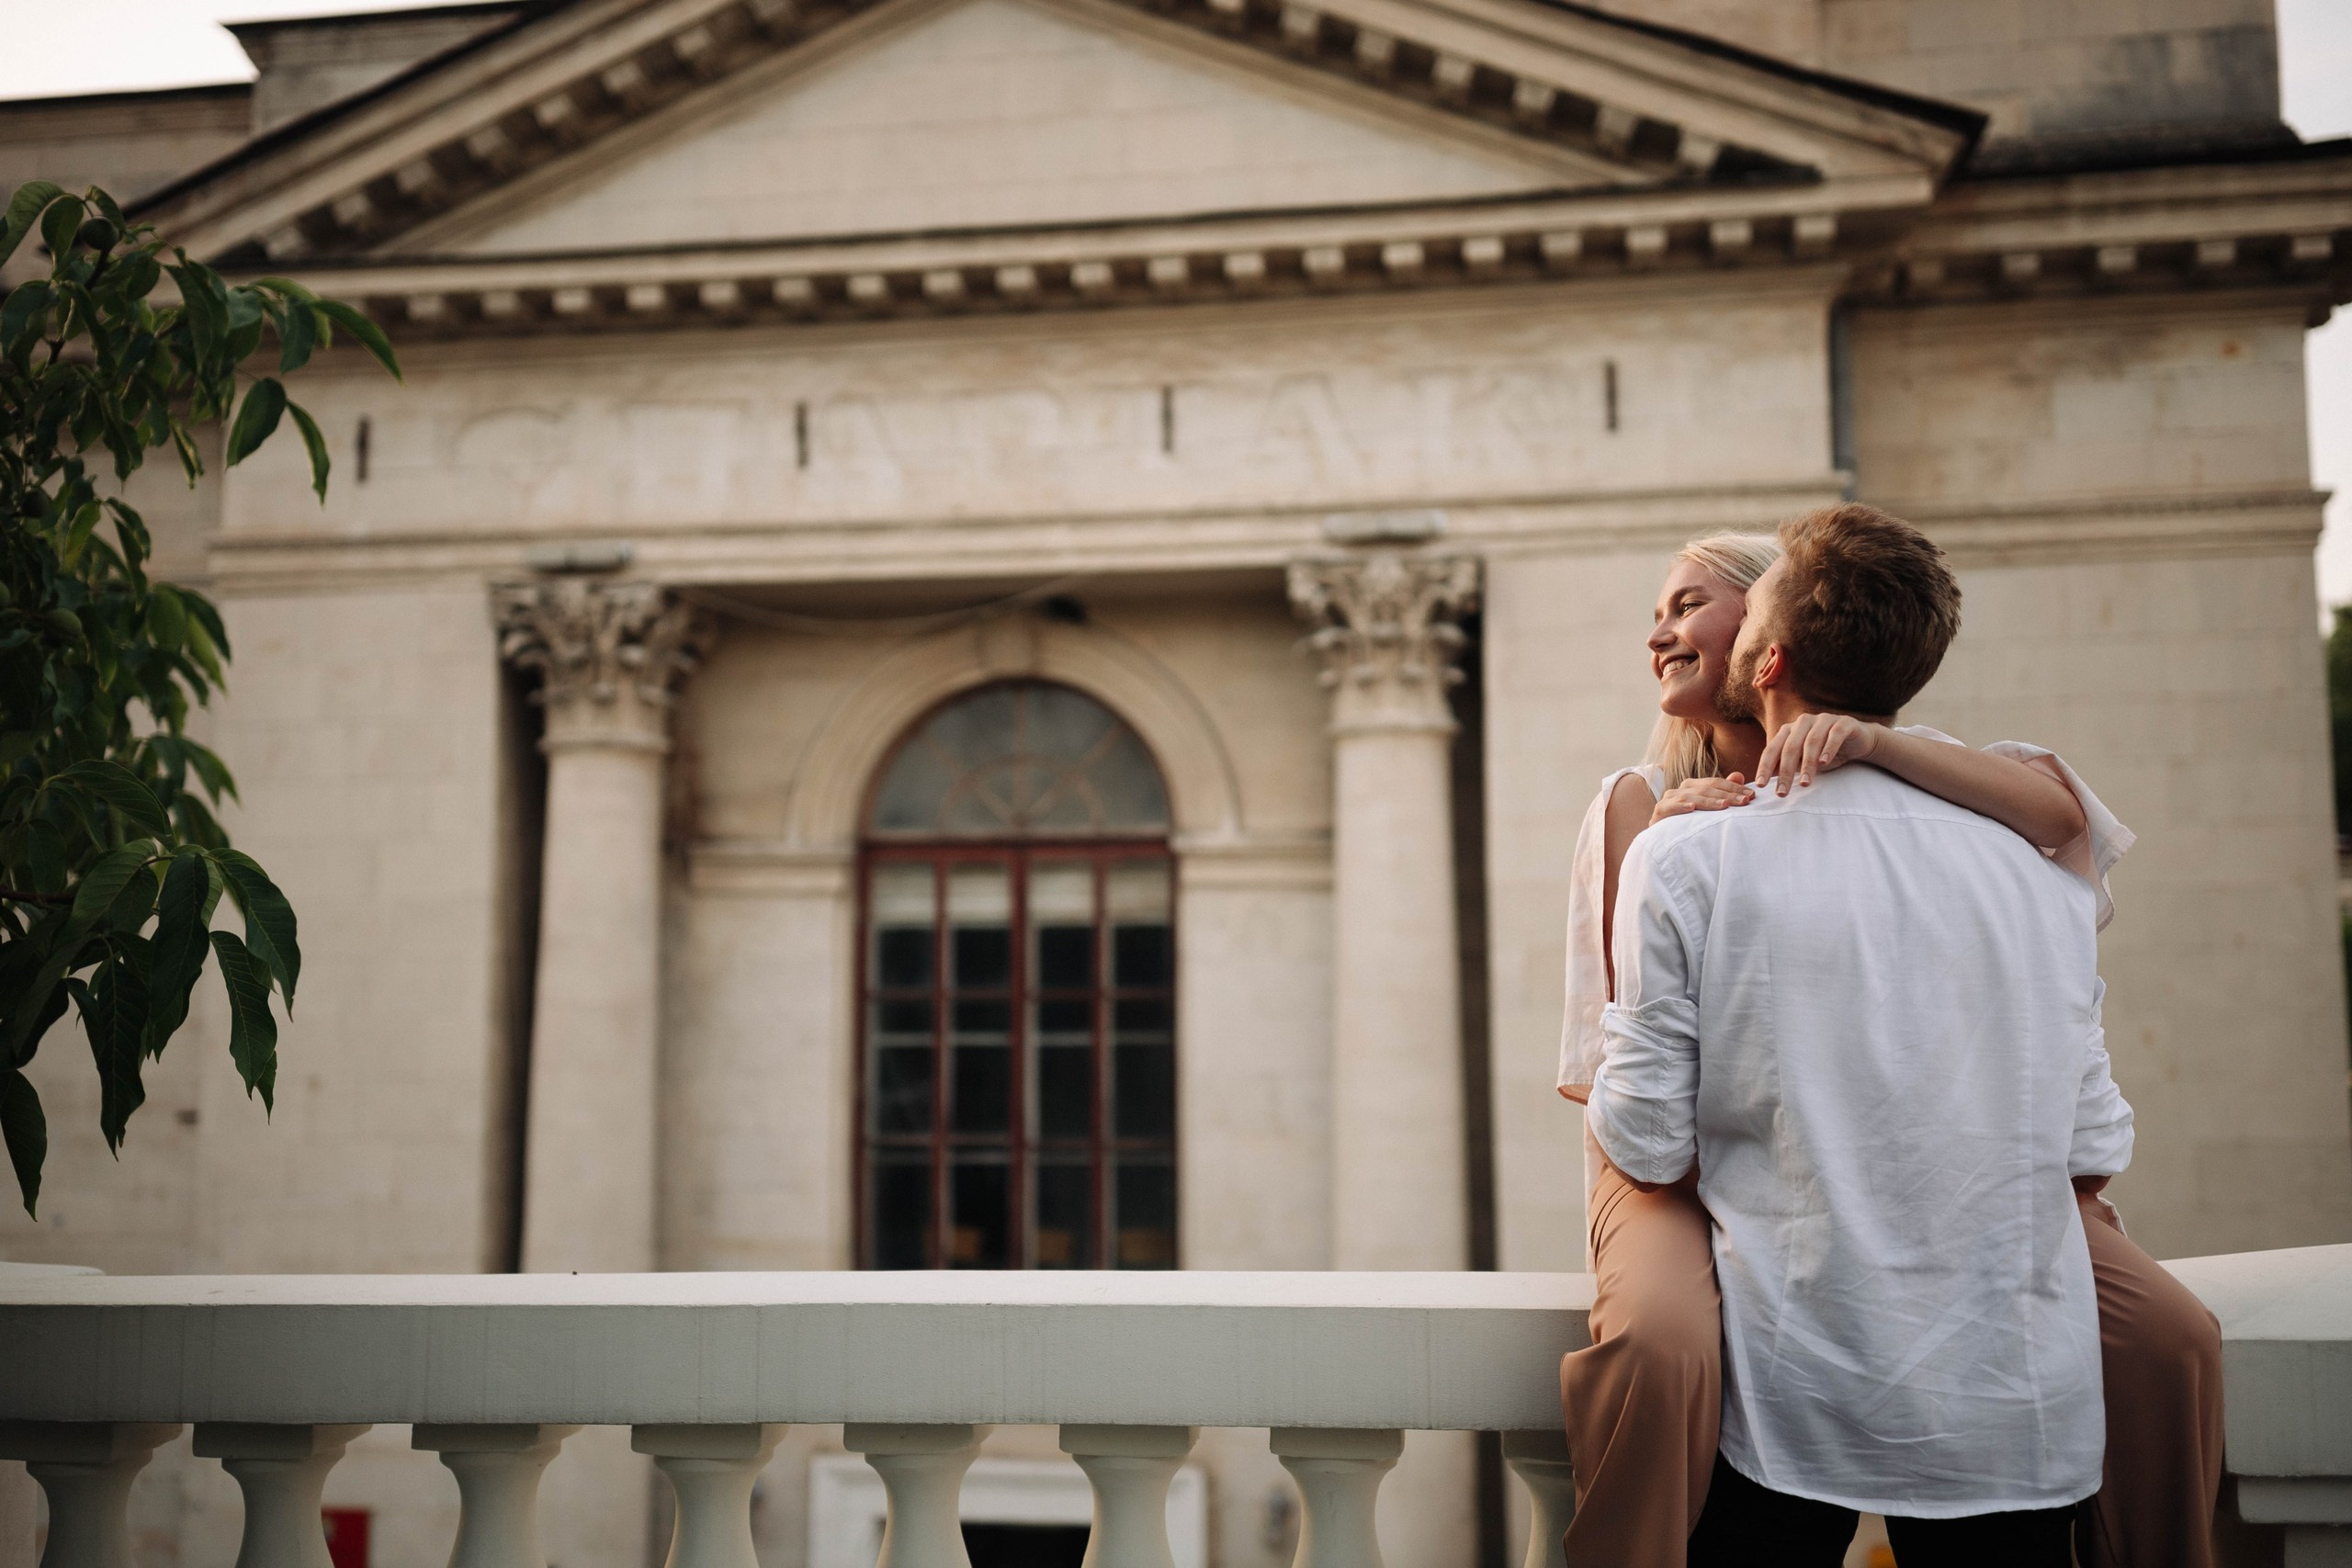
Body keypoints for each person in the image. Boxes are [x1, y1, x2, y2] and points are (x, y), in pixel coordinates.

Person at [1556, 521, 2222, 1566]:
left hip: (1812, 1263)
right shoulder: (1654, 816)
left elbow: (2063, 818)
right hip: (1717, 1173)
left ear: (1764, 648)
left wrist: (1870, 745)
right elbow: (1635, 1113)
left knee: (2174, 1338)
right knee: (1662, 1343)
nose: (1661, 634)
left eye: (1694, 604)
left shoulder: (1954, 797)